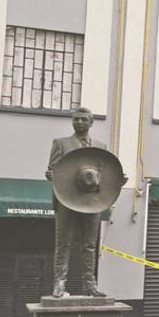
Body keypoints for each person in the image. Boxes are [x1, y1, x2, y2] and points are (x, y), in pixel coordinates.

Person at [45, 107, 126, 298]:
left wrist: (118, 180)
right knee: (63, 243)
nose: (79, 122)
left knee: (89, 244)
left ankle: (89, 285)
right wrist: (50, 175)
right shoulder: (60, 143)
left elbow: (104, 176)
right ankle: (59, 284)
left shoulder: (100, 146)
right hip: (67, 199)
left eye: (83, 120)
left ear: (91, 123)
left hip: (92, 201)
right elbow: (54, 172)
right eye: (76, 119)